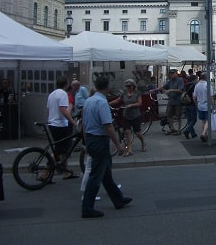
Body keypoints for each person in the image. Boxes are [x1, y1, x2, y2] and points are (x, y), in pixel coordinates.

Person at [81, 76, 132, 218]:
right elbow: (108, 126)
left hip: (91, 138)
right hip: (99, 140)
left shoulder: (89, 101)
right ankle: (87, 208)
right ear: (107, 88)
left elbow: (84, 124)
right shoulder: (102, 102)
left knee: (105, 174)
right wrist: (118, 145)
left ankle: (118, 199)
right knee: (96, 176)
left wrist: (86, 141)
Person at [46, 75, 78, 180]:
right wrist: (73, 122)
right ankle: (44, 173)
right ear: (66, 84)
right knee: (59, 150)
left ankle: (66, 172)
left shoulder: (52, 94)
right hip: (60, 125)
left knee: (64, 149)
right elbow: (63, 110)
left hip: (52, 123)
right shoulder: (63, 94)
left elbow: (49, 109)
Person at [109, 79, 146, 155]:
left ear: (133, 86)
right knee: (127, 132)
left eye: (129, 86)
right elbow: (118, 100)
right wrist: (107, 103)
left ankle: (143, 143)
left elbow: (140, 103)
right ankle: (129, 149)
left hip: (135, 115)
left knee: (137, 133)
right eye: (126, 86)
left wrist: (131, 105)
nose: (128, 88)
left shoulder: (137, 93)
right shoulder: (124, 93)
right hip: (126, 115)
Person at [151, 69, 184, 135]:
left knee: (178, 115)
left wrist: (171, 90)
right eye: (171, 74)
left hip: (177, 101)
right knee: (169, 114)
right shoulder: (169, 81)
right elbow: (163, 87)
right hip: (171, 100)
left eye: (173, 73)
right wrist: (154, 89)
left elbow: (181, 90)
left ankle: (179, 129)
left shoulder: (180, 80)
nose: (172, 75)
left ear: (176, 74)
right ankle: (172, 128)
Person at [193, 73, 213, 142]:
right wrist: (213, 106)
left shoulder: (197, 85)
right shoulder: (208, 85)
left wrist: (196, 104)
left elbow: (194, 96)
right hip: (207, 105)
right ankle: (204, 133)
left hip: (200, 105)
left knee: (203, 120)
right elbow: (211, 97)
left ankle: (205, 134)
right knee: (208, 120)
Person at [182, 74, 198, 139]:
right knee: (194, 120)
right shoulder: (193, 86)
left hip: (186, 103)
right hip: (192, 104)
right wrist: (196, 104)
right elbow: (194, 96)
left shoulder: (186, 85)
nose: (197, 80)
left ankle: (193, 133)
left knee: (189, 119)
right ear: (194, 80)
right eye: (197, 79)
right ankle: (187, 130)